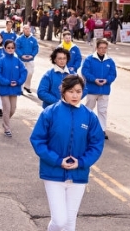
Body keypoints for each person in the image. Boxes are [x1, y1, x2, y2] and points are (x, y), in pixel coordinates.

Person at [30, 75, 104, 231]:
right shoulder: (50, 113)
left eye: (78, 91)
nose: (75, 95)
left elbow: (96, 144)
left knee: (70, 223)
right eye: (71, 91)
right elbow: (38, 140)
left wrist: (81, 162)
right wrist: (57, 160)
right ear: (63, 91)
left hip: (79, 175)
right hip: (53, 173)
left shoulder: (90, 116)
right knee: (60, 221)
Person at [81, 38, 117, 139]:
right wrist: (94, 79)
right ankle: (85, 128)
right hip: (92, 89)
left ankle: (102, 129)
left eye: (105, 48)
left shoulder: (110, 61)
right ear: (96, 48)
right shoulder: (89, 59)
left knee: (103, 110)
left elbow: (113, 74)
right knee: (89, 109)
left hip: (104, 90)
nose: (102, 50)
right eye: (100, 48)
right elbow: (85, 72)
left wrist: (107, 80)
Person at [0, 40, 27, 137]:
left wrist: (18, 82)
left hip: (15, 89)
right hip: (4, 89)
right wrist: (7, 82)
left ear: (15, 49)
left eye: (12, 48)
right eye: (8, 47)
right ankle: (7, 128)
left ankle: (5, 121)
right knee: (7, 108)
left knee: (13, 109)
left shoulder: (18, 61)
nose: (10, 49)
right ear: (5, 48)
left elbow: (24, 72)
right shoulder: (0, 61)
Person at [15, 25, 39, 94]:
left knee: (30, 73)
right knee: (22, 74)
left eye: (28, 29)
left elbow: (36, 48)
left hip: (30, 59)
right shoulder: (19, 39)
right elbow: (17, 48)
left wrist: (32, 55)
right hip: (21, 59)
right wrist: (21, 55)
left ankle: (27, 86)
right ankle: (20, 88)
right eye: (25, 29)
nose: (27, 30)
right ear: (23, 30)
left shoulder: (33, 39)